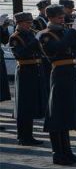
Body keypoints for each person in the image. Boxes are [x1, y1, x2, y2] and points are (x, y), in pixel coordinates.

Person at [38, 4, 76, 165]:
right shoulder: (46, 35)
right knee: (57, 115)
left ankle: (67, 151)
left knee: (67, 115)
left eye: (63, 17)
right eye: (59, 17)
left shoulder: (65, 32)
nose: (62, 19)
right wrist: (73, 32)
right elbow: (58, 49)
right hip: (59, 75)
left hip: (72, 75)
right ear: (50, 18)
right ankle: (57, 153)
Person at [8, 12, 47, 145]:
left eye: (30, 23)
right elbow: (20, 54)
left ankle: (28, 135)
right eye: (27, 23)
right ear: (19, 23)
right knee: (24, 105)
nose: (30, 25)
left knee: (31, 105)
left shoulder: (30, 34)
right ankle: (23, 137)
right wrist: (35, 40)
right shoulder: (15, 37)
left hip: (35, 70)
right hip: (25, 72)